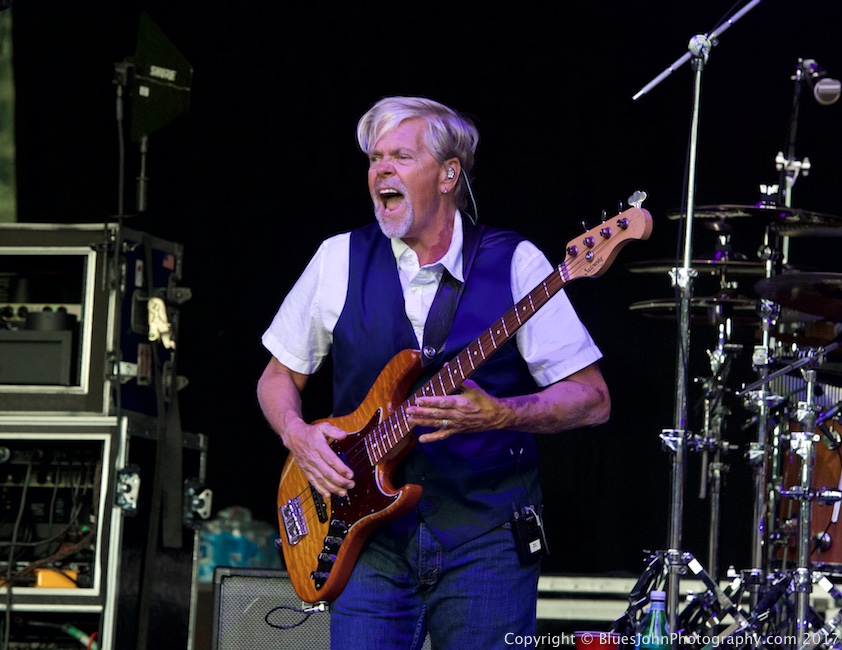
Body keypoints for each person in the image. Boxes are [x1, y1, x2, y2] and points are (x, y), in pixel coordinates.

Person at [257, 96, 610, 649]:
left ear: (448, 175)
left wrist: (502, 414)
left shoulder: (515, 262)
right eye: (375, 159)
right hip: (365, 538)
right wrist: (297, 435)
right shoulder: (338, 258)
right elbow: (277, 376)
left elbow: (592, 398)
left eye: (401, 156)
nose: (382, 171)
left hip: (486, 538)